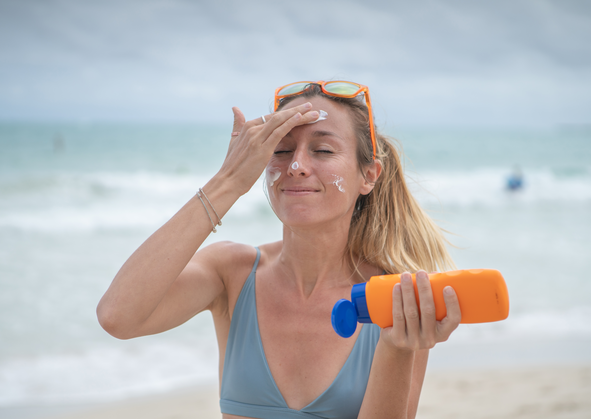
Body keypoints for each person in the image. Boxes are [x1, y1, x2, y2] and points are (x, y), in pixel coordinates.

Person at [97, 81, 462, 419]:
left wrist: (398, 349)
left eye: (322, 150)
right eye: (281, 151)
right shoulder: (232, 273)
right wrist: (227, 182)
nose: (297, 166)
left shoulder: (396, 296)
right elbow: (118, 316)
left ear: (368, 175)